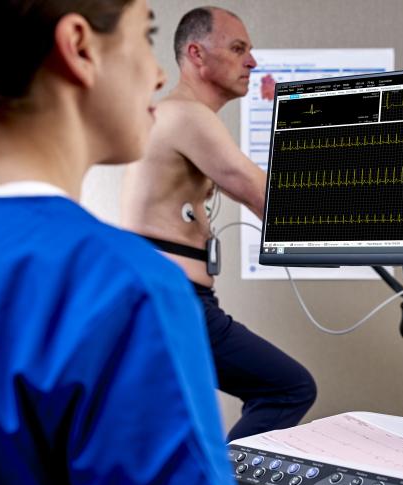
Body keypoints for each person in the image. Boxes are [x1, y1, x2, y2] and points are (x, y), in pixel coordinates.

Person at [0, 1, 403, 485]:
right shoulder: (127, 292)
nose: (157, 73)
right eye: (147, 36)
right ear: (80, 47)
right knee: (289, 387)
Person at [121, 6, 316, 442]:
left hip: (167, 298)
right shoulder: (186, 115)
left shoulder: (178, 117)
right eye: (238, 48)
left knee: (175, 428)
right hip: (173, 300)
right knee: (287, 388)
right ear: (197, 54)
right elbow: (262, 195)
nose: (252, 61)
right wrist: (374, 229)